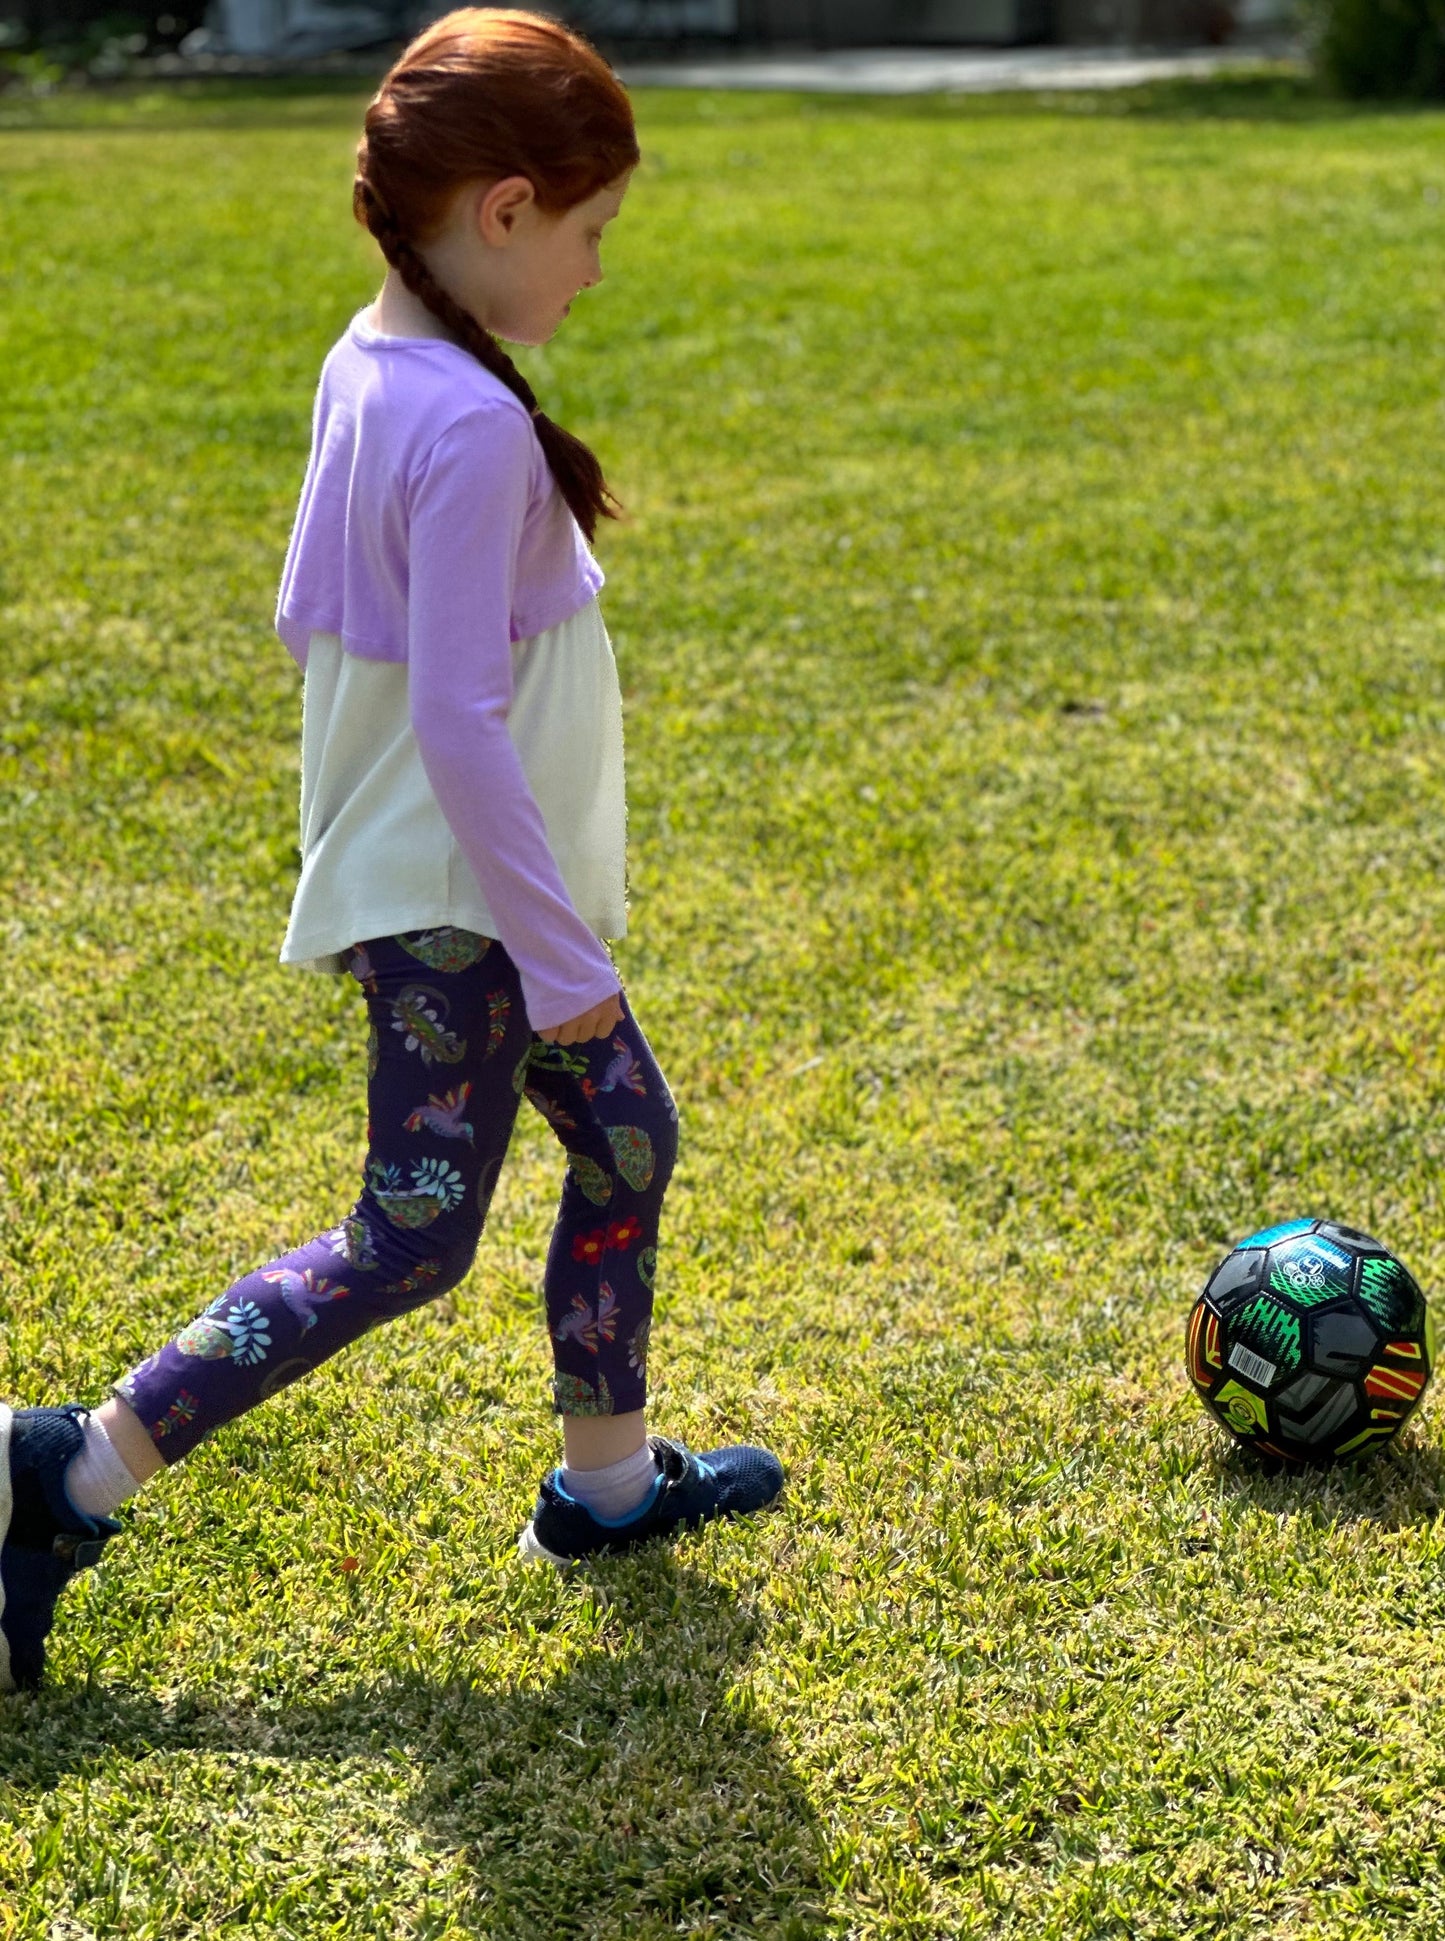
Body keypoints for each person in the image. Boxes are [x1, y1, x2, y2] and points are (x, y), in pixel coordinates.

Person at [0, 6, 783, 1695]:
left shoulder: (374, 365)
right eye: (588, 235)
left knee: (625, 1143)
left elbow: (306, 612)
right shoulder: (467, 418)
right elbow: (454, 720)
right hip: (469, 916)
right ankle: (61, 1475)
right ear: (502, 211)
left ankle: (606, 1490)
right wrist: (557, 959)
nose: (593, 272)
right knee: (409, 1236)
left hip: (461, 899)